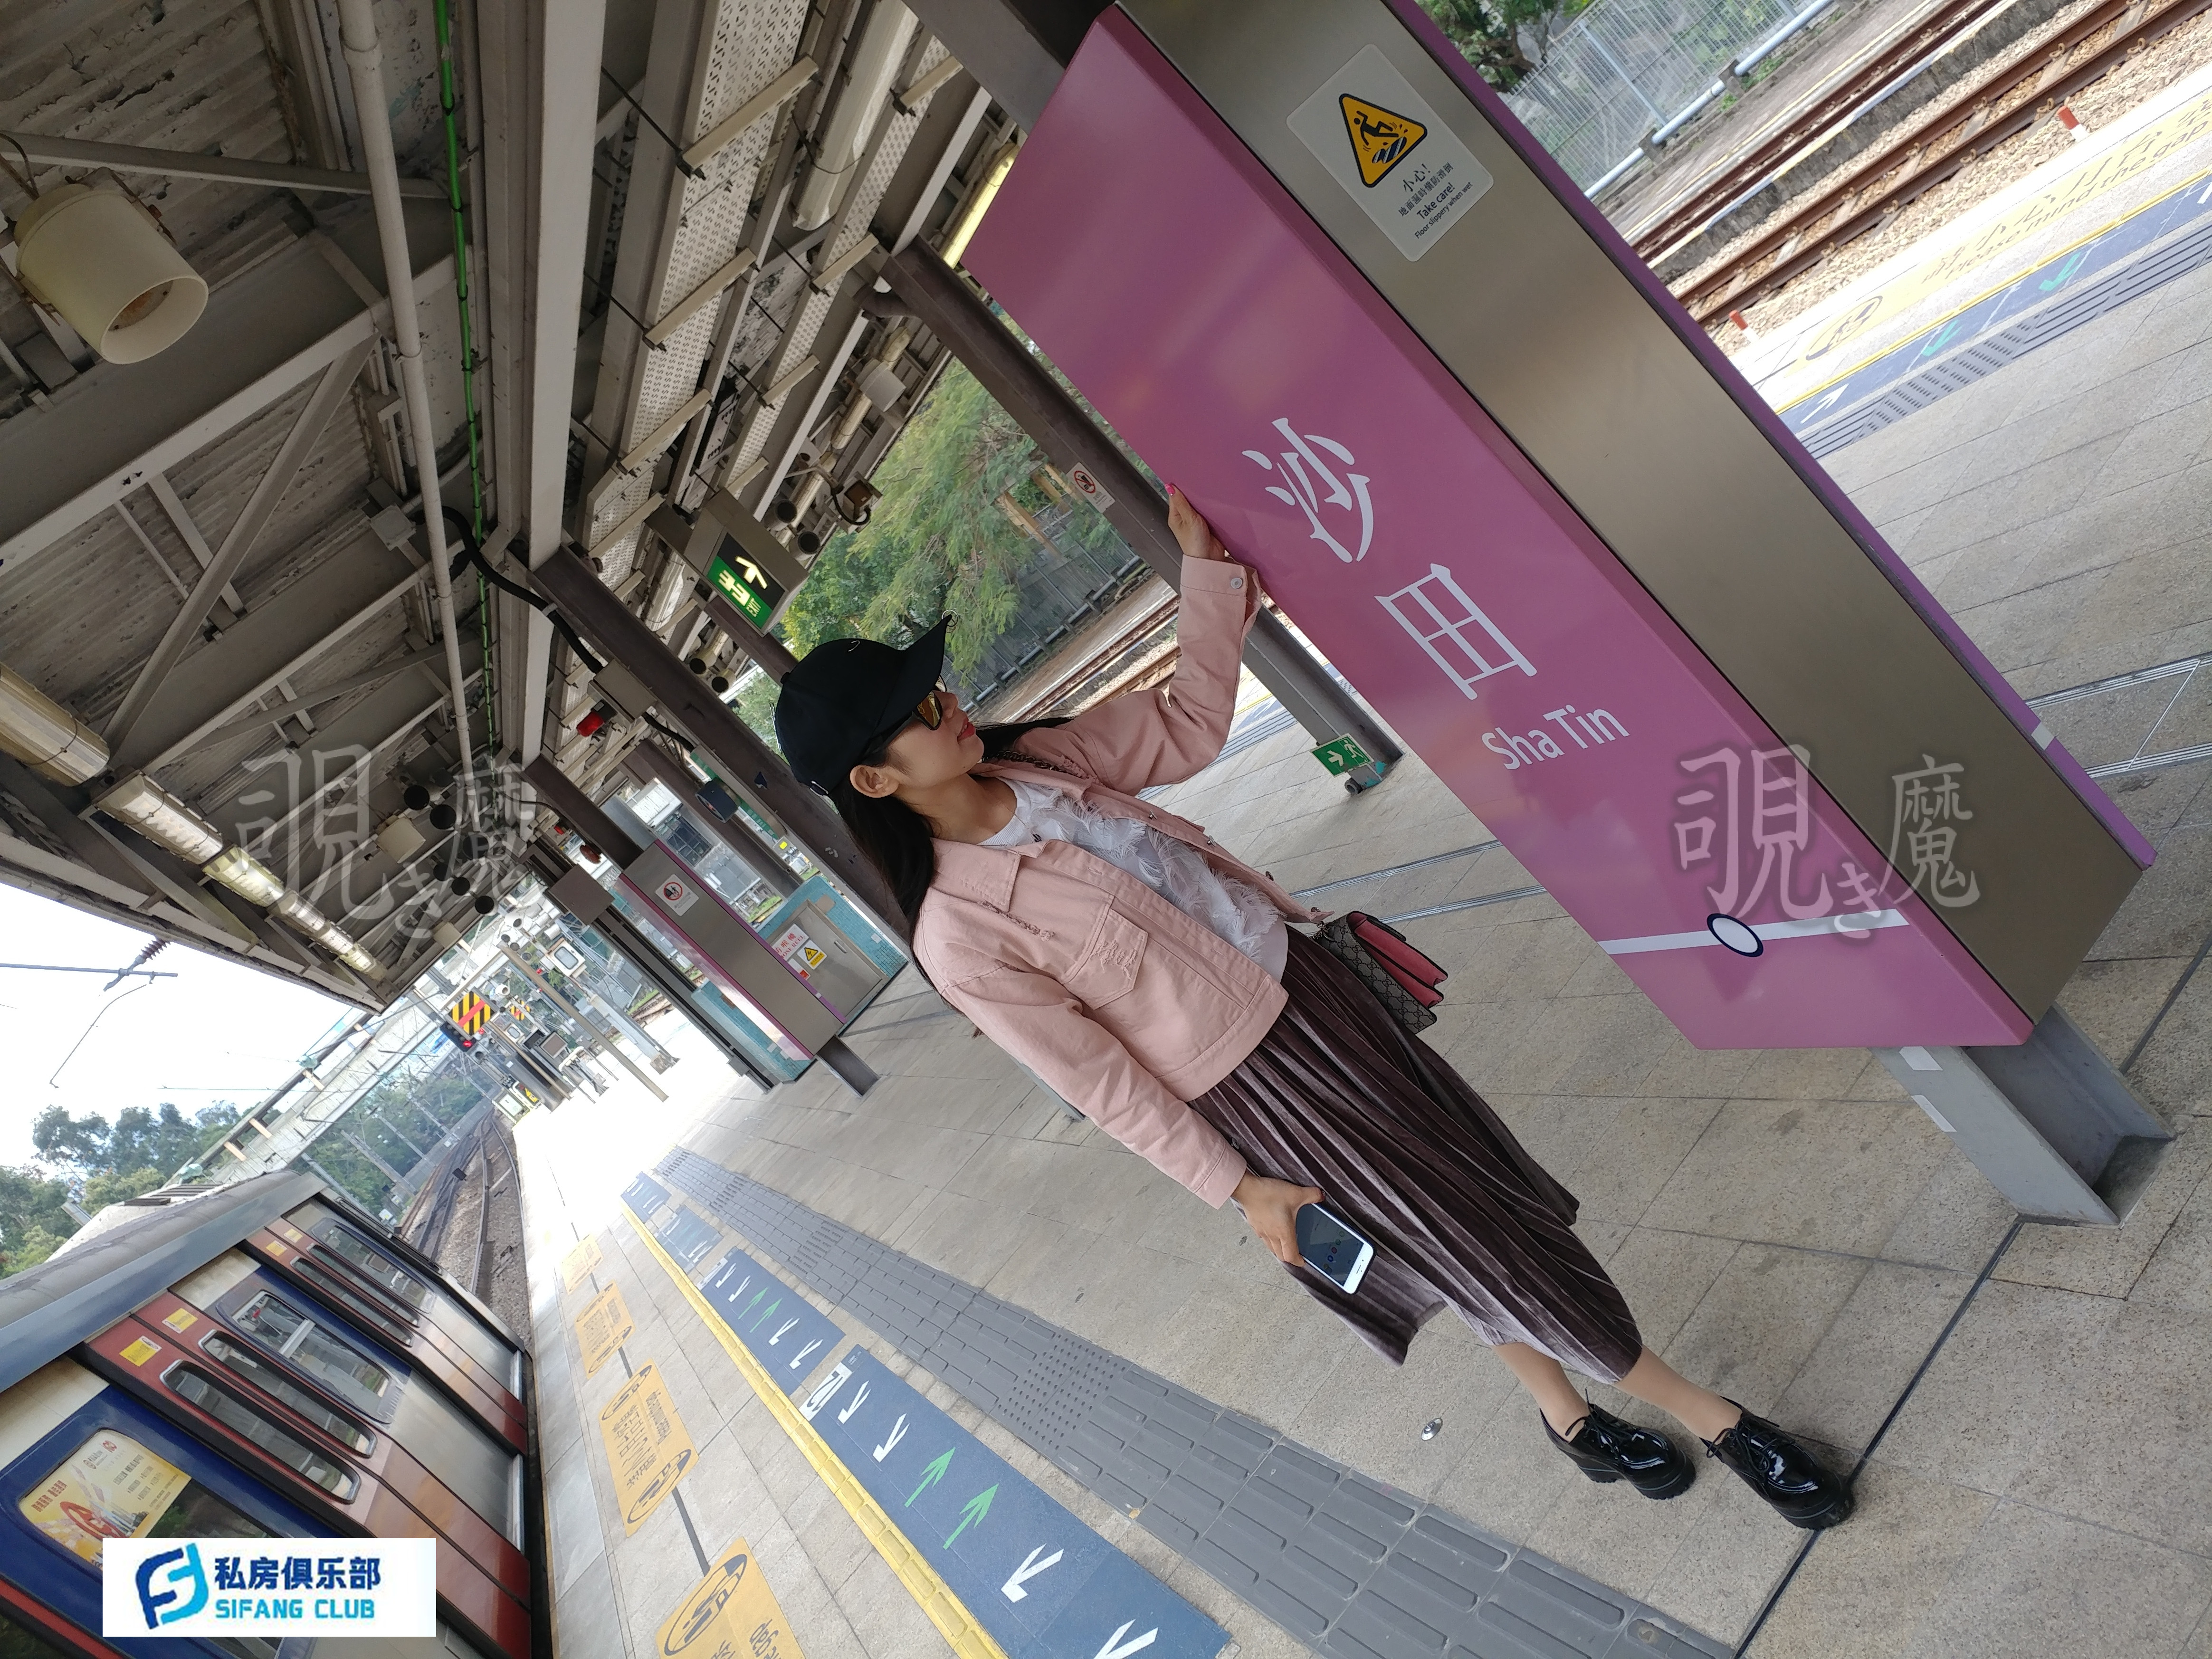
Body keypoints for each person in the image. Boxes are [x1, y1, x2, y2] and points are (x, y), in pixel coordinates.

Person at [774, 487, 1852, 1530]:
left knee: (1471, 1201)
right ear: (873, 781)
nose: (950, 706)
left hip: (1318, 992)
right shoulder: (959, 933)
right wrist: (1234, 1186)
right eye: (920, 715)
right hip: (1263, 1091)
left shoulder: (1043, 763)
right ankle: (1717, 1420)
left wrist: (1202, 573)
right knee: (1473, 1237)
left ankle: (1567, 1420)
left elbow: (1189, 727)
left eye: (936, 688)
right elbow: (1098, 1083)